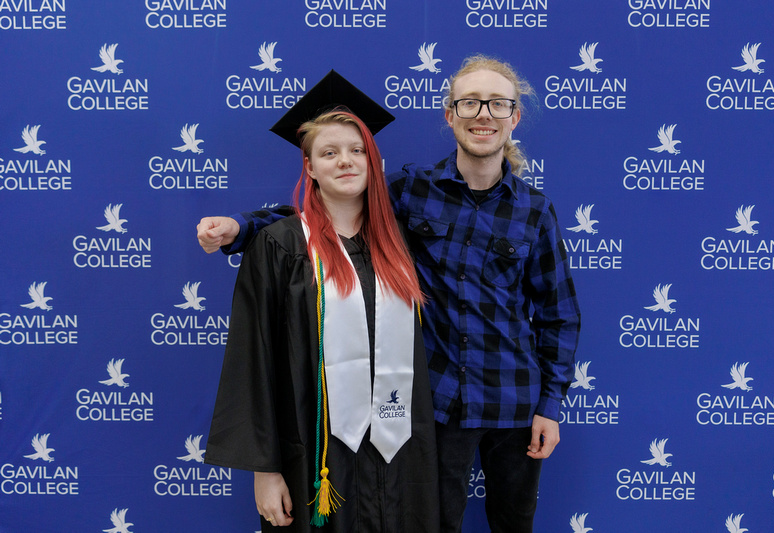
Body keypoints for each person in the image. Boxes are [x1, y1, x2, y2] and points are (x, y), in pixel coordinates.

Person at [199, 56, 581, 533]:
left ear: (513, 116)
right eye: (469, 102)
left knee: (512, 522)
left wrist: (551, 403)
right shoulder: (412, 194)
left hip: (496, 405)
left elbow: (558, 313)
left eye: (498, 103)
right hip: (437, 406)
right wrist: (242, 228)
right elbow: (320, 211)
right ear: (450, 114)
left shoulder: (528, 211)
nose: (484, 113)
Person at [204, 71, 438, 532]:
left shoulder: (401, 244)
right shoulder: (281, 246)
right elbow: (254, 361)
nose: (345, 162)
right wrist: (265, 472)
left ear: (374, 163)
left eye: (356, 151)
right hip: (314, 452)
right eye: (329, 153)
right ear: (309, 167)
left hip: (401, 456)